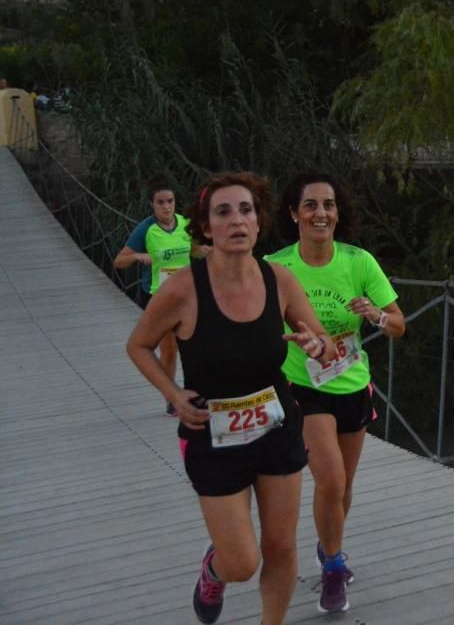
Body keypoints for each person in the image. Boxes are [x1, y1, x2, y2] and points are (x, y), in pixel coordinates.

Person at [126, 171, 339, 625]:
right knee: (241, 562)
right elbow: (138, 345)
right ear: (206, 227)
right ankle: (214, 569)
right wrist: (173, 393)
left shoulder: (279, 280)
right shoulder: (183, 288)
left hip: (277, 426)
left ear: (259, 224)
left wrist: (317, 345)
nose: (237, 221)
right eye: (223, 212)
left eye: (246, 211)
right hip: (211, 433)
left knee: (280, 547)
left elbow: (323, 341)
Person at [265, 171, 405, 613]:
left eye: (328, 205)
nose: (320, 213)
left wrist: (375, 316)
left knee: (343, 490)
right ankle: (333, 571)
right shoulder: (275, 266)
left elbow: (399, 324)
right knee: (331, 479)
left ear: (337, 213)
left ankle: (329, 549)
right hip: (303, 387)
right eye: (310, 205)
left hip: (352, 384)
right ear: (294, 214)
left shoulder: (358, 261)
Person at [114, 175, 198, 415]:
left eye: (170, 201)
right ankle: (173, 398)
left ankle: (196, 391)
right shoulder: (145, 230)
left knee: (195, 344)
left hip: (187, 295)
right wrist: (137, 257)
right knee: (169, 349)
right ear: (152, 204)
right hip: (158, 297)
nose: (166, 206)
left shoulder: (184, 223)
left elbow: (195, 250)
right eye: (160, 202)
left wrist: (216, 252)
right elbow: (119, 261)